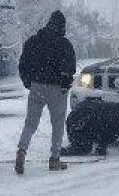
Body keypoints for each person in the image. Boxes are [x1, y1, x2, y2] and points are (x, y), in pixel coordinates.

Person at [15, 10, 75, 175]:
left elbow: (23, 64)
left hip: (37, 86)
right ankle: (55, 159)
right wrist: (65, 83)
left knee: (31, 123)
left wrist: (28, 81)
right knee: (57, 125)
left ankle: (21, 149)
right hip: (57, 89)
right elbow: (70, 69)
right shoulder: (65, 45)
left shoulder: (33, 42)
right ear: (62, 26)